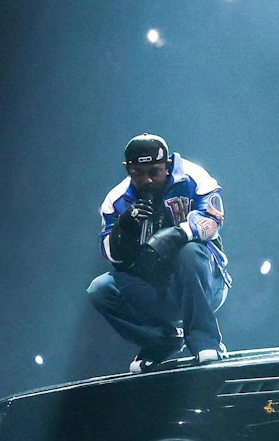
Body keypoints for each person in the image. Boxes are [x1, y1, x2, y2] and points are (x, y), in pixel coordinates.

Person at [86, 134, 230, 371]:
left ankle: (206, 340)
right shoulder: (116, 201)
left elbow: (214, 219)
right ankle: (162, 340)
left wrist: (176, 235)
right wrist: (123, 227)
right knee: (100, 289)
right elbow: (111, 256)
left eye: (154, 172)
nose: (146, 180)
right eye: (137, 173)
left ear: (168, 165)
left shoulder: (195, 178)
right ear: (127, 169)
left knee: (190, 251)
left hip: (207, 282)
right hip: (158, 288)